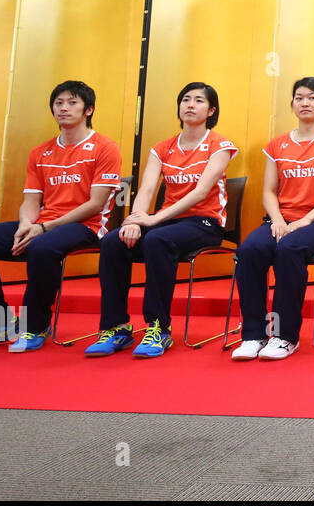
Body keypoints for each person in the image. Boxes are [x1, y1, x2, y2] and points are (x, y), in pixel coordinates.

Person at [0, 80, 122, 352]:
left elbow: (96, 203)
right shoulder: (40, 151)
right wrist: (25, 224)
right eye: (59, 103)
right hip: (43, 223)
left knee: (42, 249)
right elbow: (31, 201)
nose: (64, 108)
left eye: (72, 103)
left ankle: (35, 326)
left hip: (86, 226)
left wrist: (43, 229)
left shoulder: (105, 147)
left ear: (88, 110)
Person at [84, 82, 237, 359]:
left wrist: (153, 220)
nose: (190, 105)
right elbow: (146, 189)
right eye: (186, 100)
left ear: (211, 110)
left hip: (204, 223)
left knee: (156, 239)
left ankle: (158, 328)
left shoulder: (220, 145)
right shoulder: (162, 148)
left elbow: (201, 191)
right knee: (112, 241)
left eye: (199, 101)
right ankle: (115, 327)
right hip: (167, 223)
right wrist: (133, 222)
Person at [231, 77, 314, 362]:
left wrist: (306, 220)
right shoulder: (277, 145)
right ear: (292, 104)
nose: (305, 103)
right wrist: (276, 220)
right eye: (299, 97)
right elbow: (269, 191)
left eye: (312, 97)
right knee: (250, 250)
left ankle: (285, 336)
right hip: (281, 220)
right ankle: (254, 333)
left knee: (288, 250)